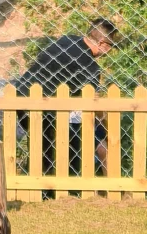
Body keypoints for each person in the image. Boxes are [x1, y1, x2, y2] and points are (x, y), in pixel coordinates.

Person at [14, 19, 119, 183]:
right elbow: (91, 103)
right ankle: (52, 187)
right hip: (42, 107)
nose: (109, 50)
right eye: (110, 45)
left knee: (41, 147)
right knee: (51, 147)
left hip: (20, 95)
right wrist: (105, 122)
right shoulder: (90, 68)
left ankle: (41, 185)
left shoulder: (68, 40)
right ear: (102, 43)